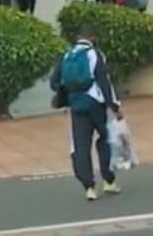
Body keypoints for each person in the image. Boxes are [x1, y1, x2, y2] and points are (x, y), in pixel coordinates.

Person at [50, 26, 122, 201]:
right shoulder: (94, 55)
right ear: (92, 38)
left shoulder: (67, 56)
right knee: (106, 138)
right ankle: (108, 180)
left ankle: (89, 187)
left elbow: (54, 82)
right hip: (96, 104)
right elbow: (104, 82)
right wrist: (114, 106)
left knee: (81, 145)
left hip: (76, 106)